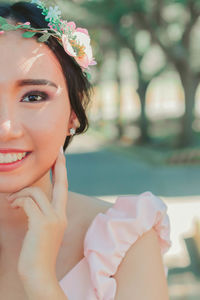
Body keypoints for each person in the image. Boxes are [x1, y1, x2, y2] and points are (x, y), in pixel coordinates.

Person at [0, 1, 171, 299]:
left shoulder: (124, 242)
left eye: (34, 96)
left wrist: (40, 280)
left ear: (73, 112)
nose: (6, 128)